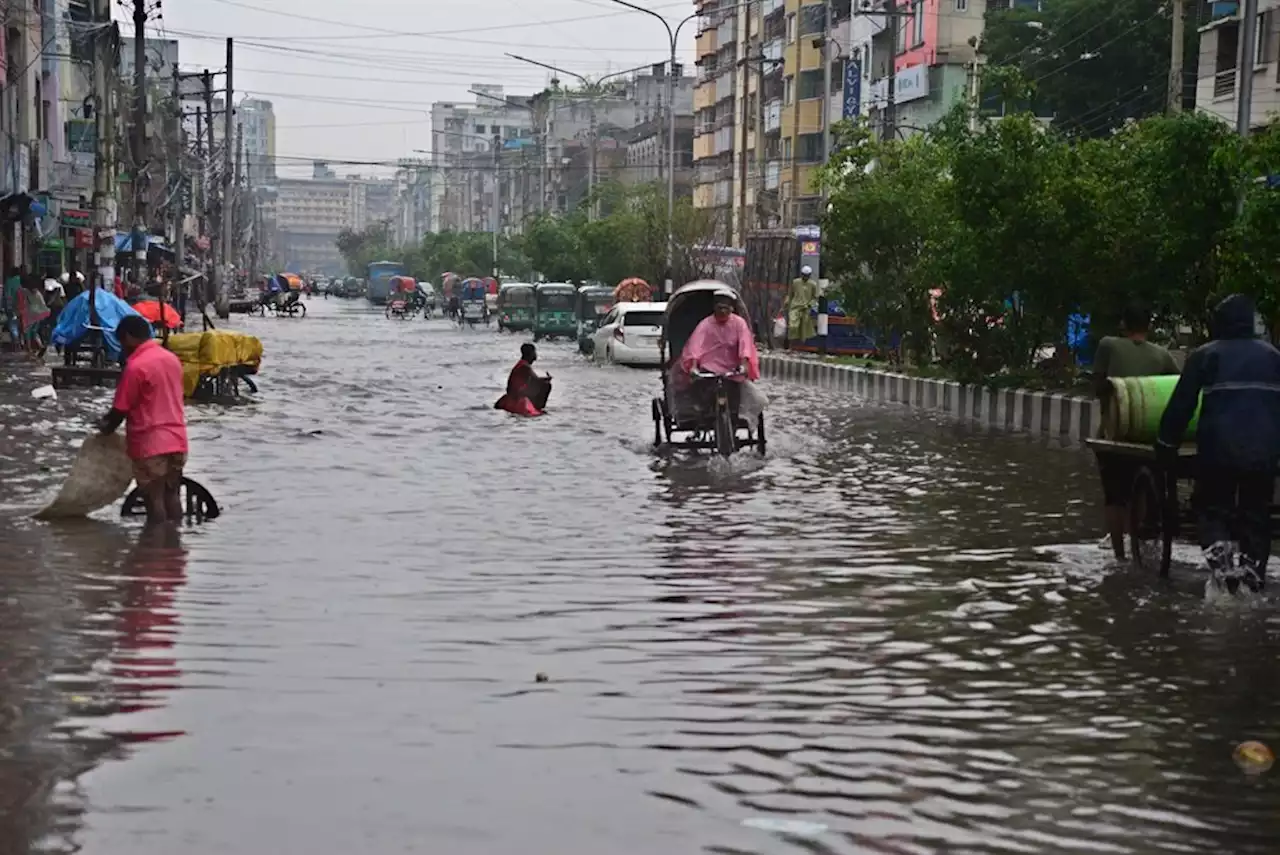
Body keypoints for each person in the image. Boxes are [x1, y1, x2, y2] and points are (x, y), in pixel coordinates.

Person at [1157, 294, 1280, 594]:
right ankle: (1252, 577)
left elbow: (1181, 406)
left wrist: (1165, 444)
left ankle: (1224, 573)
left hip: (1218, 453)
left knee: (1211, 508)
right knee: (1256, 513)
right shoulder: (1274, 357)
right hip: (1263, 454)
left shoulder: (1205, 355)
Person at [1092, 302, 1180, 561]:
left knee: (1114, 497)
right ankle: (1137, 550)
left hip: (1114, 433)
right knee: (1138, 491)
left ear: (1123, 325)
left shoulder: (1108, 344)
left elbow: (1099, 385)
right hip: (1148, 436)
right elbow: (1177, 386)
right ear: (1149, 327)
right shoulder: (1162, 355)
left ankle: (1119, 557)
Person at [98, 314, 189, 526]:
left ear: (129, 337)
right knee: (172, 496)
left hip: (150, 443)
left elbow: (119, 410)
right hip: (177, 440)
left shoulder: (136, 366)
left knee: (154, 500)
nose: (122, 348)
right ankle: (174, 546)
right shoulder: (171, 359)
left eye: (121, 342)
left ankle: (155, 552)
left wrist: (104, 428)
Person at [680, 292, 761, 420]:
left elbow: (745, 344)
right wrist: (694, 366)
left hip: (732, 371)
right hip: (709, 370)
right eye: (719, 308)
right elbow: (695, 346)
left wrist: (744, 364)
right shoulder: (705, 324)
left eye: (726, 308)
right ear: (714, 308)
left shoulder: (739, 324)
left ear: (731, 309)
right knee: (701, 393)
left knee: (738, 401)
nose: (723, 311)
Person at [495, 343, 549, 417]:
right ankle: (537, 406)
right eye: (534, 352)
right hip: (517, 397)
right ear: (530, 354)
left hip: (514, 395)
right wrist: (548, 379)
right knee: (546, 385)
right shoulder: (525, 366)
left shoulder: (522, 364)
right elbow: (536, 380)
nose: (536, 355)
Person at [784, 265, 818, 348]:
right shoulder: (795, 282)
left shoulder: (813, 284)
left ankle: (800, 347)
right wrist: (786, 303)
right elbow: (790, 294)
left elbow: (815, 297)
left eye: (807, 275)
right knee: (793, 326)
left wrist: (810, 304)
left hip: (806, 308)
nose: (805, 277)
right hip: (795, 307)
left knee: (803, 329)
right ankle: (791, 346)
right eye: (804, 275)